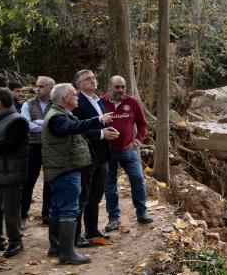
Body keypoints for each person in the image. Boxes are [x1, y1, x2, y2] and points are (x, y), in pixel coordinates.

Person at [42, 83, 112, 264]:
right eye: (74, 95)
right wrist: (98, 119)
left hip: (65, 169)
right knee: (68, 210)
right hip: (65, 170)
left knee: (58, 209)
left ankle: (56, 248)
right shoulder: (57, 117)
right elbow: (72, 128)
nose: (78, 98)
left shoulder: (61, 114)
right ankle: (67, 253)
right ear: (65, 98)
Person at [71, 70, 117, 247]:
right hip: (86, 156)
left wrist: (110, 132)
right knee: (82, 195)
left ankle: (92, 230)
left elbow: (102, 123)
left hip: (103, 155)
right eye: (88, 79)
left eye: (94, 78)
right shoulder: (76, 102)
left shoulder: (98, 100)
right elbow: (76, 129)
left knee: (96, 195)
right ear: (79, 84)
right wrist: (100, 134)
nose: (93, 80)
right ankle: (75, 235)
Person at [102, 76, 152, 232]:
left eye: (123, 87)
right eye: (117, 87)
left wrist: (137, 141)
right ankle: (114, 218)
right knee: (109, 185)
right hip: (106, 151)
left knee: (138, 179)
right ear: (109, 86)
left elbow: (143, 124)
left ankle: (142, 213)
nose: (121, 90)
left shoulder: (132, 102)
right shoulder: (101, 103)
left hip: (127, 150)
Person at [0, 88, 29, 257]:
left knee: (10, 210)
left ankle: (16, 241)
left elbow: (10, 145)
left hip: (9, 173)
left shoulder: (17, 121)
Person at [20, 76, 55, 223]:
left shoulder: (56, 104)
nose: (37, 89)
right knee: (28, 181)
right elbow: (25, 124)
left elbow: (57, 124)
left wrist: (38, 123)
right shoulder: (28, 104)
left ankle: (47, 212)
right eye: (37, 86)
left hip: (51, 148)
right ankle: (22, 212)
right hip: (33, 147)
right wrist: (47, 125)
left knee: (50, 181)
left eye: (41, 86)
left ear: (50, 89)